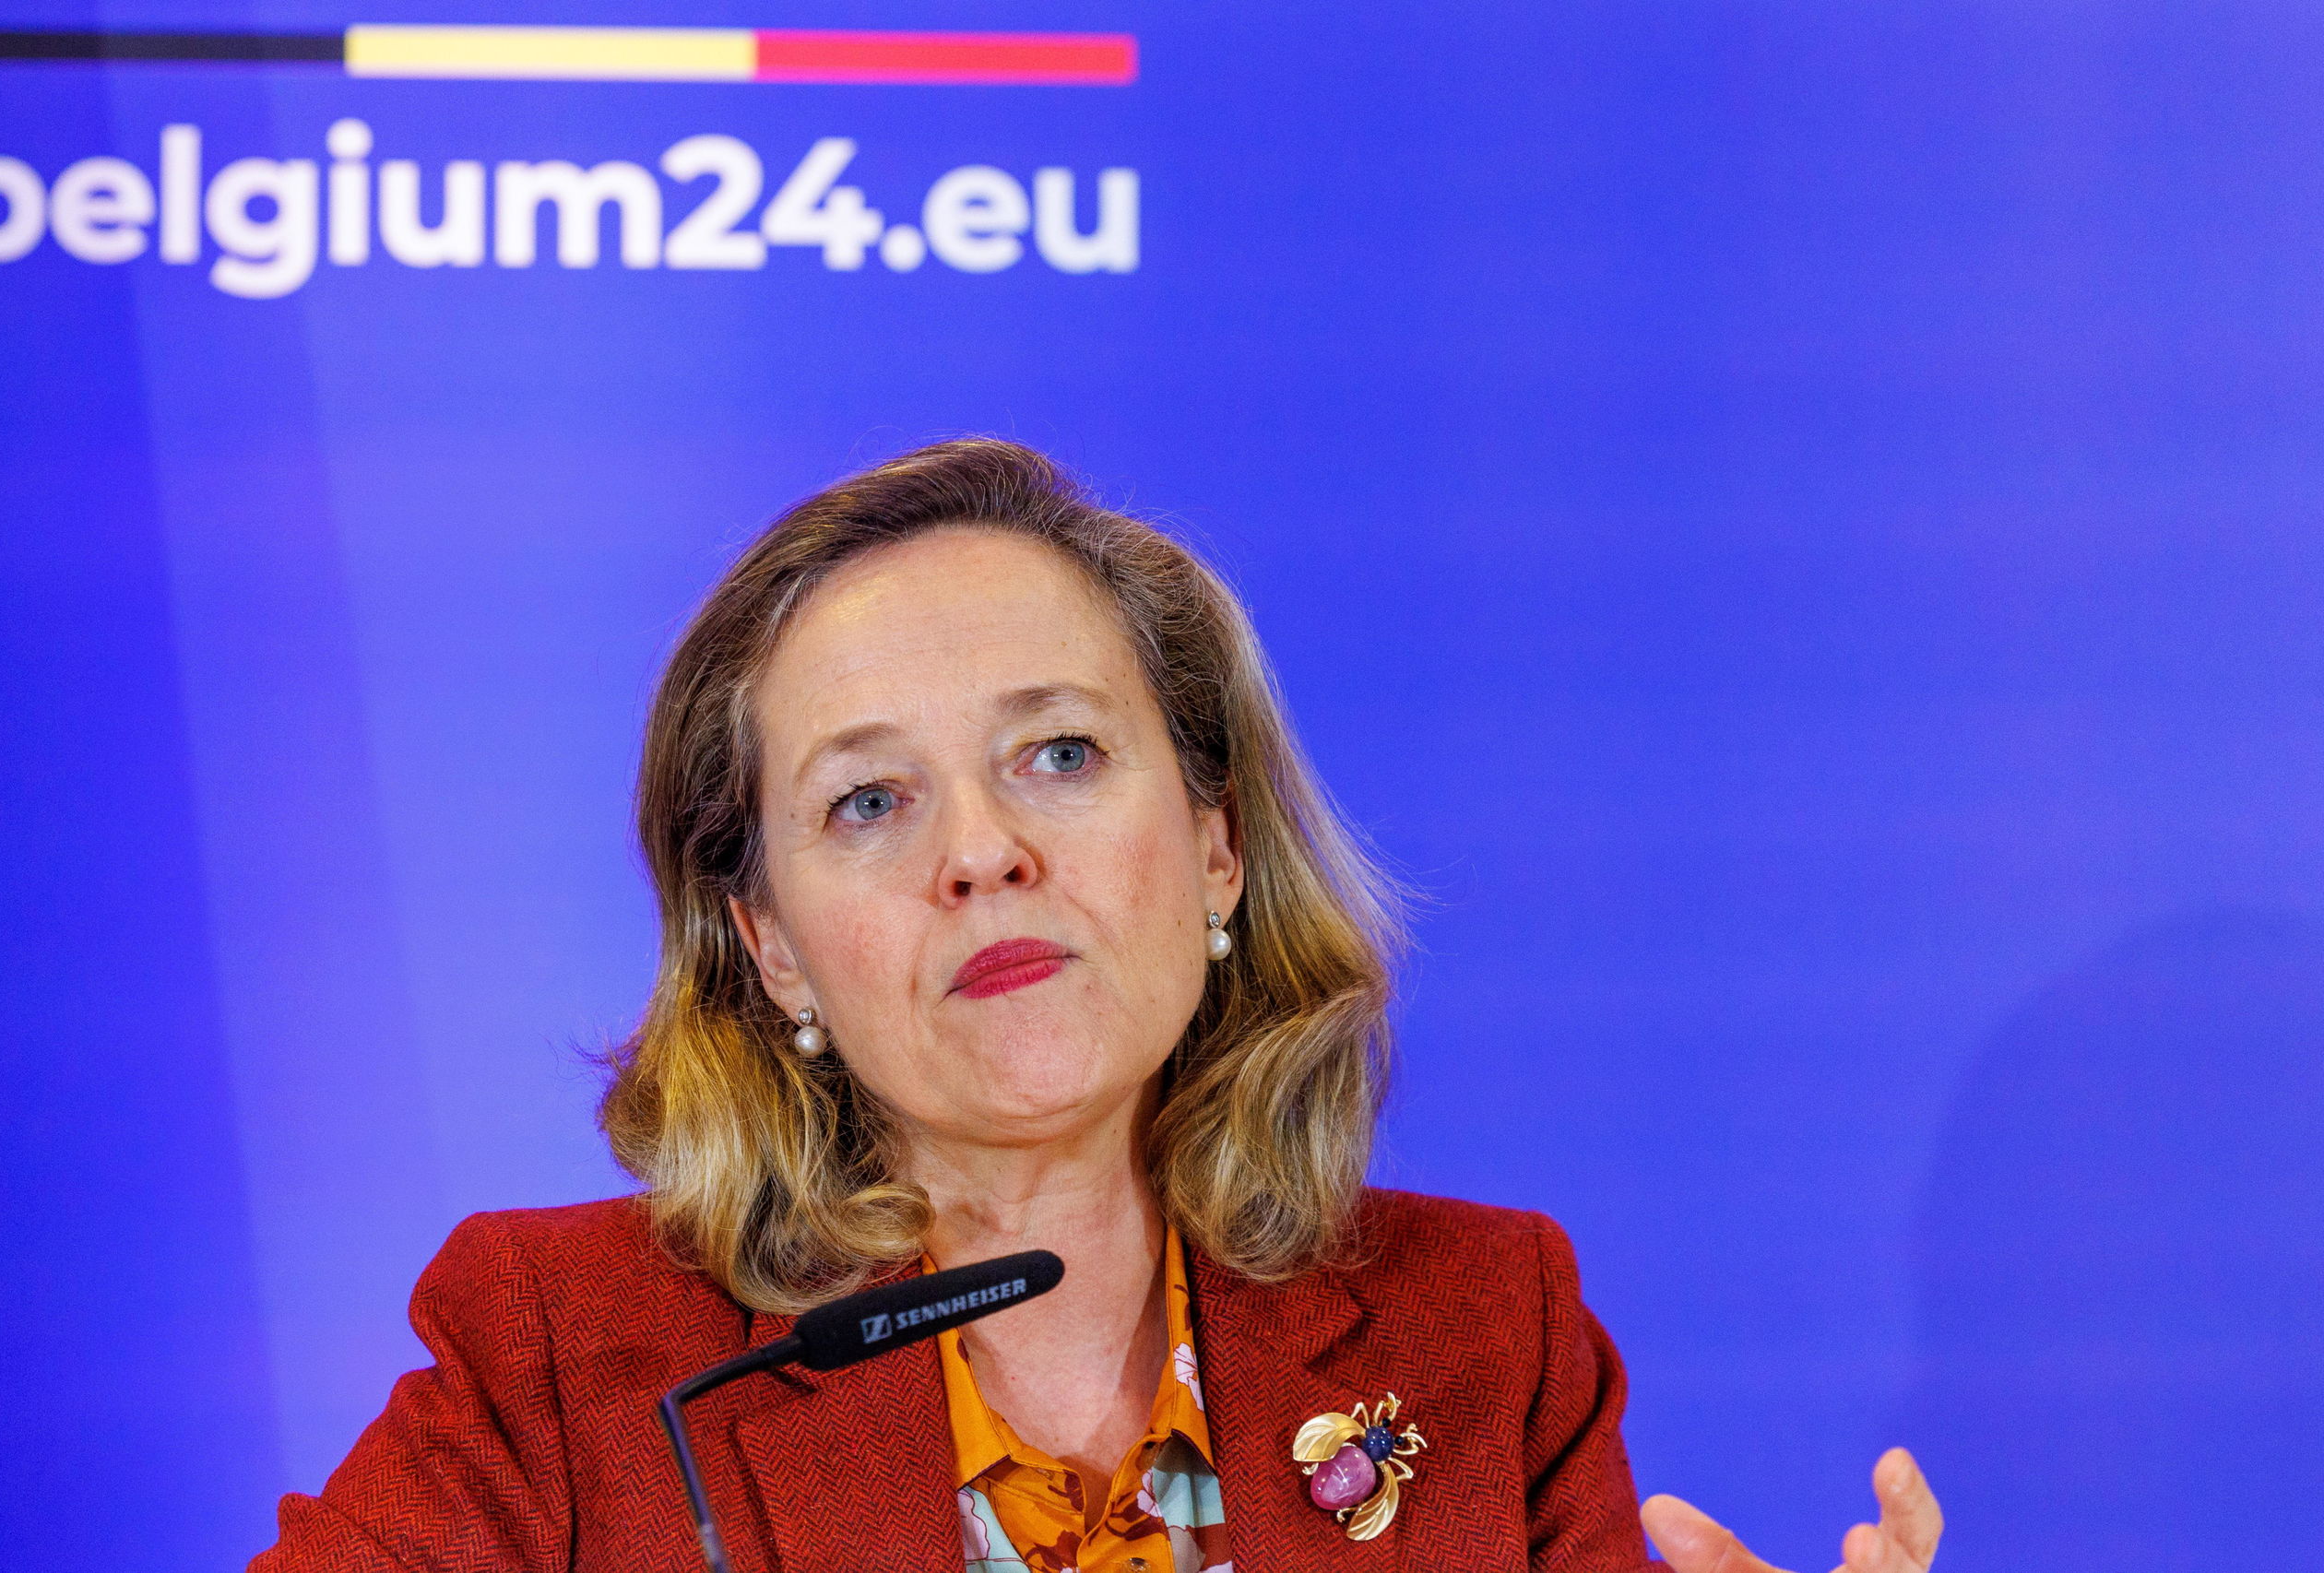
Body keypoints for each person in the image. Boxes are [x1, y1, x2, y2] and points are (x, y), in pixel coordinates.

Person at [249, 440, 1942, 1573]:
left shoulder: (1485, 1330)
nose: (982, 851)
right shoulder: (573, 1362)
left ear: (1214, 847)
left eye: (1058, 753)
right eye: (869, 800)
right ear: (771, 947)